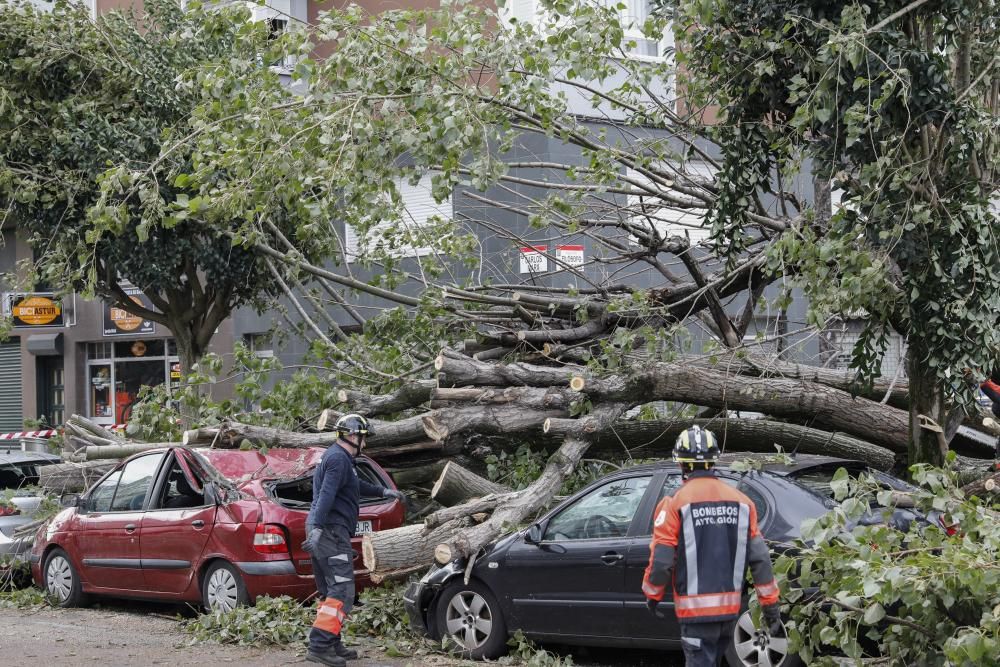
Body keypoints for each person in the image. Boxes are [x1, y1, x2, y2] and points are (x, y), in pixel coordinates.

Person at [642, 425, 782, 667]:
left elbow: (662, 561)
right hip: (729, 613)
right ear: (714, 461)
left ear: (681, 464)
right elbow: (761, 561)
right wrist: (771, 607)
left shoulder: (674, 504)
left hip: (695, 616)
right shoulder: (743, 503)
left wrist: (652, 595)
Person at [303, 413, 406, 666]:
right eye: (363, 438)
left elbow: (355, 485)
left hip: (326, 530)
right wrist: (317, 528)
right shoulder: (338, 459)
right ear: (351, 435)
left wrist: (385, 491)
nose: (365, 444)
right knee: (342, 590)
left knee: (330, 590)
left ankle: (332, 643)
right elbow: (326, 494)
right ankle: (319, 645)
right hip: (329, 531)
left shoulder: (339, 459)